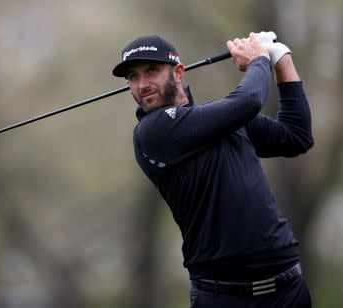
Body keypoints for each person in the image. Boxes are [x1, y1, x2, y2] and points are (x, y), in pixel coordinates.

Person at [112, 32, 313, 307]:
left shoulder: (222, 119)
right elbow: (247, 102)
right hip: (223, 297)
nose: (142, 84)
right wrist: (258, 61)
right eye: (133, 77)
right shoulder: (152, 133)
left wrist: (281, 58)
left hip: (288, 290)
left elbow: (296, 137)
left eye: (152, 71)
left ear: (178, 72)